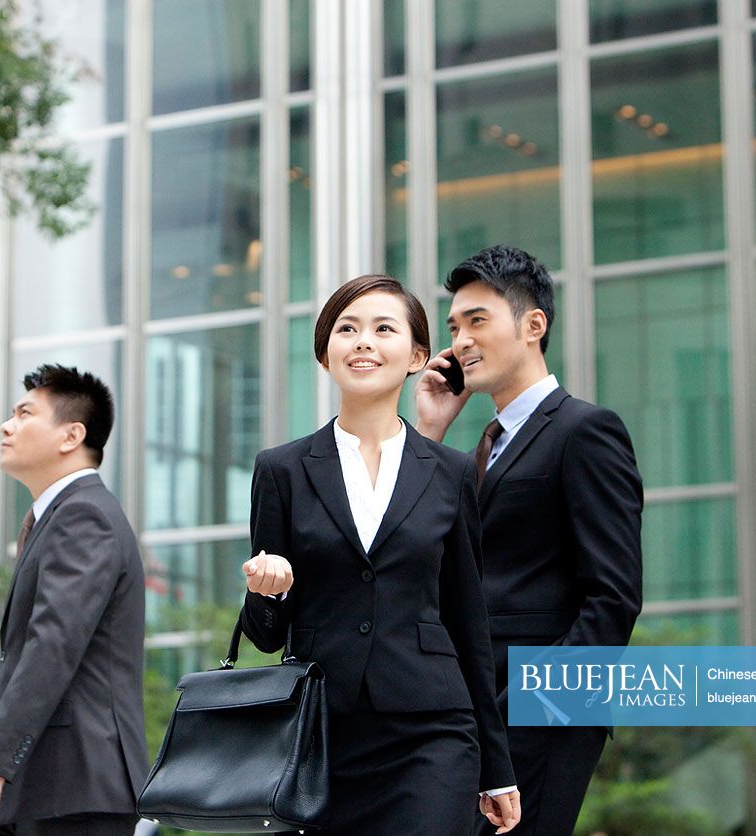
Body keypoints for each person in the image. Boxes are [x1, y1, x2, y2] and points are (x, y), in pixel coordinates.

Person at [240, 275, 522, 835]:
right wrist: (266, 592)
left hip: (432, 733)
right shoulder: (282, 470)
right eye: (347, 329)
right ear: (325, 355)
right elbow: (267, 635)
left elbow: (470, 622)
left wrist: (497, 767)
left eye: (383, 329)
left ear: (417, 355)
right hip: (323, 735)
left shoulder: (451, 473)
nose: (363, 341)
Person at [415, 245, 643, 836]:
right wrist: (429, 434)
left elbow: (613, 597)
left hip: (541, 717)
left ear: (533, 325)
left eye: (478, 321)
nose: (461, 340)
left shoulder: (585, 431)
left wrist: (539, 707)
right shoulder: (470, 456)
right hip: (474, 718)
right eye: (454, 327)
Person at [0, 364, 148, 835]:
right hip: (51, 787)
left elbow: (53, 644)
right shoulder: (59, 516)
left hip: (75, 787)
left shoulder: (84, 515)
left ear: (71, 436)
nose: (7, 425)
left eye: (24, 414)